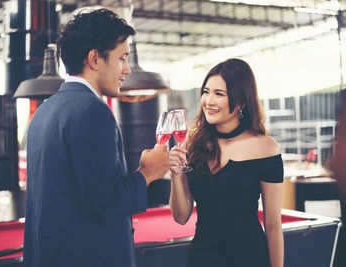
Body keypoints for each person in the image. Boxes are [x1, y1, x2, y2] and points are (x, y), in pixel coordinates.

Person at [23, 9, 170, 267]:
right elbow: (106, 204)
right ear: (94, 58)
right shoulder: (93, 111)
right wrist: (148, 172)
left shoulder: (45, 110)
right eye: (122, 58)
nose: (126, 70)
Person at [169, 58, 284, 267]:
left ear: (240, 101)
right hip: (201, 259)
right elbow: (181, 216)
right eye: (206, 91)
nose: (208, 101)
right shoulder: (193, 145)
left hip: (249, 259)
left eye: (218, 94)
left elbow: (273, 224)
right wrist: (176, 175)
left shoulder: (266, 148)